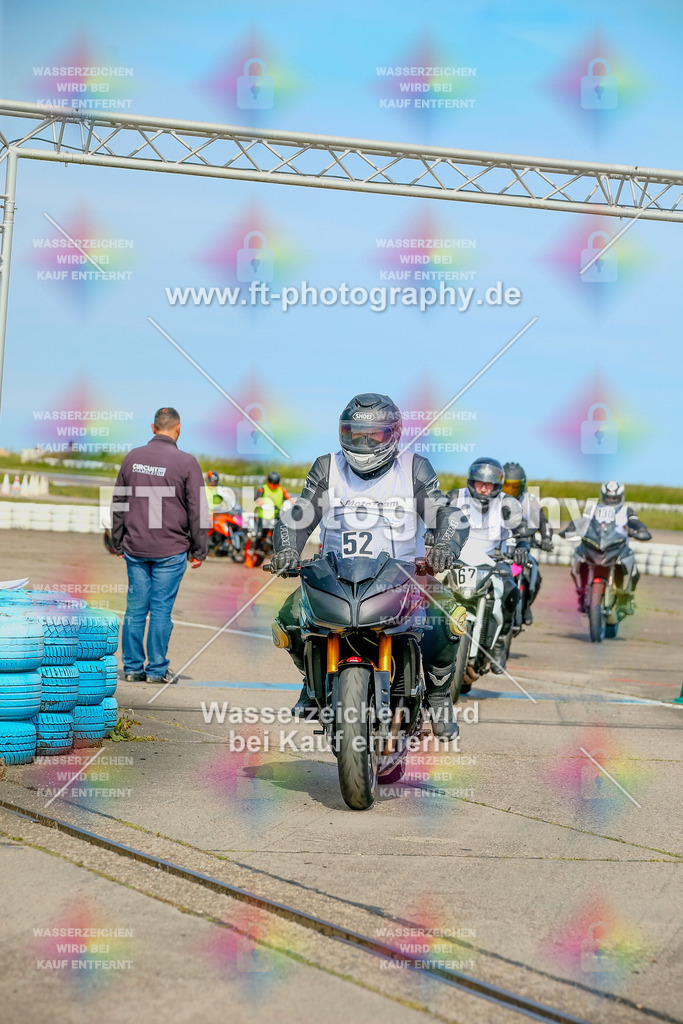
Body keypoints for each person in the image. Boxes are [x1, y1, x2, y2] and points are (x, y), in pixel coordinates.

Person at [271, 393, 469, 739]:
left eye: (372, 436)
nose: (362, 444)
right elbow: (297, 516)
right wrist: (287, 549)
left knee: (450, 619)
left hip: (405, 577)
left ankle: (438, 696)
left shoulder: (414, 468)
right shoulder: (327, 467)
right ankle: (311, 680)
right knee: (287, 621)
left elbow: (446, 514)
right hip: (335, 576)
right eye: (353, 435)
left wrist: (443, 547)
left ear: (393, 435)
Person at [111, 407, 209, 684]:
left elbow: (118, 503)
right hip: (171, 549)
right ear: (178, 428)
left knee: (135, 609)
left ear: (153, 428)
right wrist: (199, 550)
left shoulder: (133, 458)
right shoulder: (187, 462)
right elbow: (198, 509)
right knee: (161, 611)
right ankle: (155, 671)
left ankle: (131, 668)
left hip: (136, 547)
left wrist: (117, 542)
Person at [447, 457, 524, 673]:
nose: (483, 489)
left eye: (488, 485)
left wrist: (522, 547)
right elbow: (434, 518)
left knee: (511, 593)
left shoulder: (507, 504)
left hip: (494, 561)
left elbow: (521, 529)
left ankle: (499, 644)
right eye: (479, 483)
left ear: (496, 486)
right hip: (456, 560)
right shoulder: (455, 497)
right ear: (471, 482)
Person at [560, 481, 651, 613]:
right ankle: (582, 592)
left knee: (634, 570)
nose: (611, 500)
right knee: (578, 556)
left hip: (618, 548)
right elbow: (582, 521)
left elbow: (635, 522)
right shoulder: (593, 509)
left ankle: (626, 596)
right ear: (602, 496)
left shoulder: (627, 511)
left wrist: (640, 530)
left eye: (614, 498)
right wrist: (571, 528)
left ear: (621, 497)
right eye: (608, 498)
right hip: (594, 545)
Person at [502, 461, 553, 625]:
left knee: (535, 574)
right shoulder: (493, 499)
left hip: (522, 546)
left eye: (514, 486)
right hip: (500, 547)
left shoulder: (530, 501)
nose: (510, 491)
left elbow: (543, 522)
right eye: (506, 486)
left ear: (523, 485)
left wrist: (546, 539)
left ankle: (526, 606)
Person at [253, 472, 291, 547]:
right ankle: (255, 548)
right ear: (268, 481)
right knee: (259, 534)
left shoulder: (281, 490)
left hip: (277, 515)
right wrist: (263, 503)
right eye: (272, 483)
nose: (273, 485)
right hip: (263, 515)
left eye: (275, 483)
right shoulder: (262, 489)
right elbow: (257, 499)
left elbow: (289, 499)